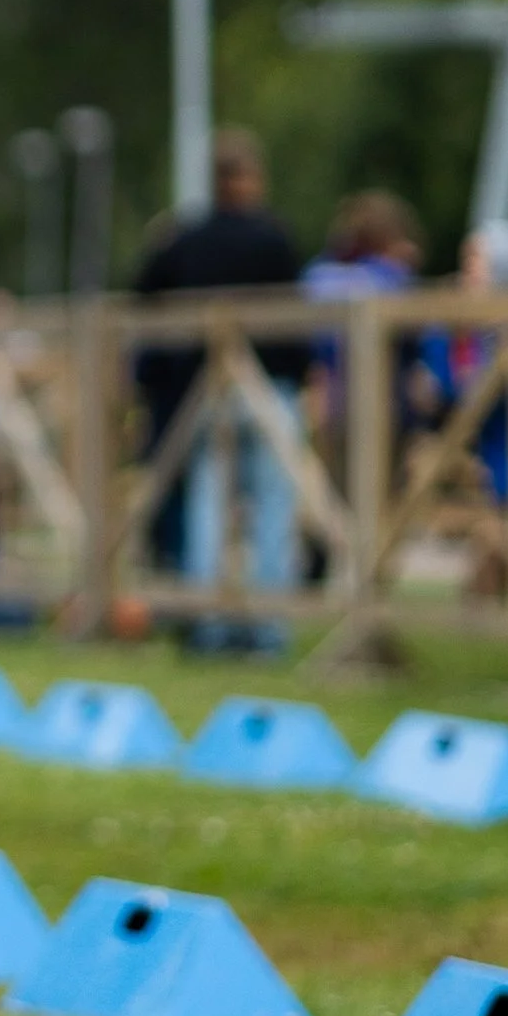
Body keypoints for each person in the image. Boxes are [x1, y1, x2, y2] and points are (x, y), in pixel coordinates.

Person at [131, 130, 306, 653]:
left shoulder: (186, 239)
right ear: (250, 179)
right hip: (269, 386)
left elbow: (142, 297)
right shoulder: (275, 238)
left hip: (206, 390)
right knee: (273, 506)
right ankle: (269, 630)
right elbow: (299, 319)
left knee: (207, 506)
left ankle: (207, 624)